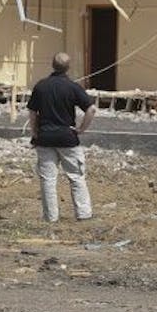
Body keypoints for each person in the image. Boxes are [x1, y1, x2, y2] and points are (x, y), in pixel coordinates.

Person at [26, 52, 96, 222]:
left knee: (48, 180)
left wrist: (35, 132)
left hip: (45, 138)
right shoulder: (72, 87)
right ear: (68, 67)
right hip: (67, 138)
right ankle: (83, 214)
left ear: (52, 65)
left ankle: (51, 217)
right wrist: (81, 129)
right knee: (76, 177)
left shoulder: (41, 86)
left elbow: (32, 112)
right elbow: (91, 109)